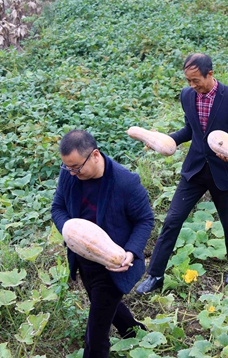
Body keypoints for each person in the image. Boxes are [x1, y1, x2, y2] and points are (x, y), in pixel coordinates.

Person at [136, 53, 228, 294]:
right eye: (188, 80)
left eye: (196, 80)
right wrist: (165, 140)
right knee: (172, 220)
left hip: (224, 171)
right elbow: (190, 129)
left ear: (210, 74)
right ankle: (155, 275)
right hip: (195, 169)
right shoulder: (187, 95)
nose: (191, 85)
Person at [51, 129, 154, 358]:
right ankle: (133, 331)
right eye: (67, 167)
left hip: (113, 264)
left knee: (96, 334)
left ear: (95, 155)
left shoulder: (125, 182)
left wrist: (131, 252)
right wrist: (71, 231)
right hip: (84, 257)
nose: (72, 172)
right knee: (105, 306)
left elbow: (145, 219)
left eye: (76, 167)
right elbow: (57, 207)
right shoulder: (69, 174)